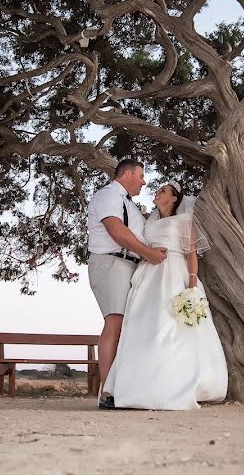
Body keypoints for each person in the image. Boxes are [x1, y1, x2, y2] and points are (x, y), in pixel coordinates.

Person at [102, 180, 228, 410]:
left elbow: (191, 253)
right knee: (145, 325)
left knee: (171, 326)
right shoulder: (148, 221)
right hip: (149, 273)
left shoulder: (184, 220)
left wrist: (191, 280)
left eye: (163, 191)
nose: (157, 193)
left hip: (174, 272)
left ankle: (174, 383)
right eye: (158, 190)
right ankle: (139, 385)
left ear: (173, 198)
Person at [87, 158, 167, 409]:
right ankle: (106, 393)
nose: (144, 182)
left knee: (126, 328)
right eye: (141, 176)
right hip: (112, 263)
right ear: (128, 174)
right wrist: (148, 254)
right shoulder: (108, 195)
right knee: (115, 324)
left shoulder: (129, 204)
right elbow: (116, 231)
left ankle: (121, 387)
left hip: (129, 266)